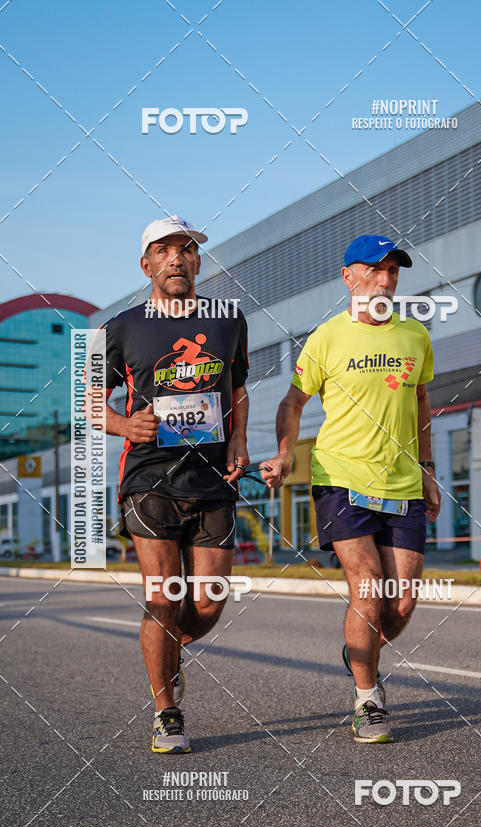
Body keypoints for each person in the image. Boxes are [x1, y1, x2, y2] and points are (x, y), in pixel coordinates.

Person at [261, 234, 440, 743]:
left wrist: (427, 470)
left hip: (402, 480)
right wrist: (283, 453)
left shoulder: (415, 336)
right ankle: (367, 699)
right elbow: (292, 402)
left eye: (394, 271)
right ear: (348, 277)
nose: (386, 279)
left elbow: (422, 404)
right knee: (367, 587)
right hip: (340, 478)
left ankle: (359, 653)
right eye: (375, 269)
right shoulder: (327, 338)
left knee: (400, 603)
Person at [96, 215, 249, 753]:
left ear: (198, 262)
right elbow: (87, 400)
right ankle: (167, 712)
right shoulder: (122, 327)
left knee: (208, 602)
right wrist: (121, 423)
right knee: (162, 598)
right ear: (147, 264)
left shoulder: (228, 319)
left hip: (211, 479)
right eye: (165, 251)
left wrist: (237, 440)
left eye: (186, 250)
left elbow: (236, 385)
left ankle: (168, 653)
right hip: (149, 480)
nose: (177, 259)